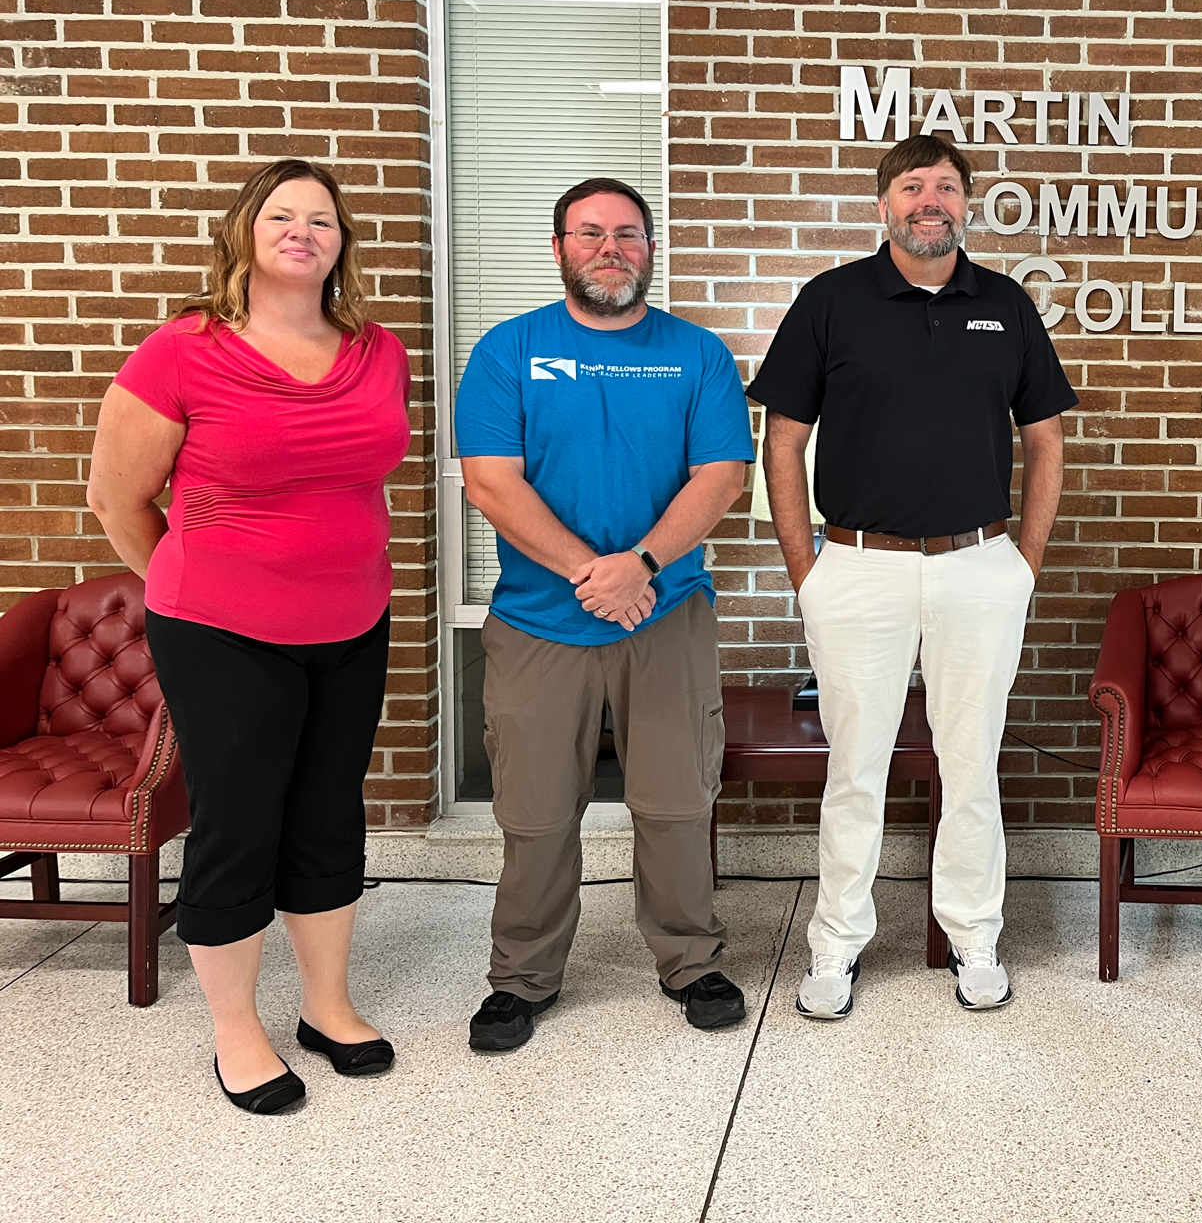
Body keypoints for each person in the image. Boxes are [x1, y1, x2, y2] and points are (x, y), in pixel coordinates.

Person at [86, 158, 411, 1115]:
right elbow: (116, 497)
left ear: (341, 244)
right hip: (221, 632)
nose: (303, 231)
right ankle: (236, 1030)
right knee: (239, 820)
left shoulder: (378, 350)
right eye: (281, 216)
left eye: (322, 219)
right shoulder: (182, 350)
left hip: (354, 619)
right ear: (245, 232)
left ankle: (327, 1006)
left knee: (328, 811)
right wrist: (199, 579)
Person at [748, 133, 1075, 1019]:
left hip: (979, 567)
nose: (931, 201)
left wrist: (1023, 565)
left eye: (947, 188)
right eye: (913, 187)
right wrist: (806, 569)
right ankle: (835, 946)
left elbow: (1046, 439)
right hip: (859, 567)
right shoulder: (831, 301)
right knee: (855, 767)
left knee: (971, 765)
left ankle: (975, 937)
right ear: (884, 204)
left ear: (967, 204)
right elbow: (783, 442)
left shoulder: (1004, 304)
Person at [454, 178, 753, 1050]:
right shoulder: (509, 350)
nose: (610, 249)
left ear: (650, 249)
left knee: (676, 803)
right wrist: (595, 575)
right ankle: (522, 978)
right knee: (536, 813)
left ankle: (691, 960)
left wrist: (642, 566)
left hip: (668, 615)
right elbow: (490, 482)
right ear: (558, 250)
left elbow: (722, 477)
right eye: (589, 234)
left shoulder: (696, 354)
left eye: (627, 233)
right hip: (540, 623)